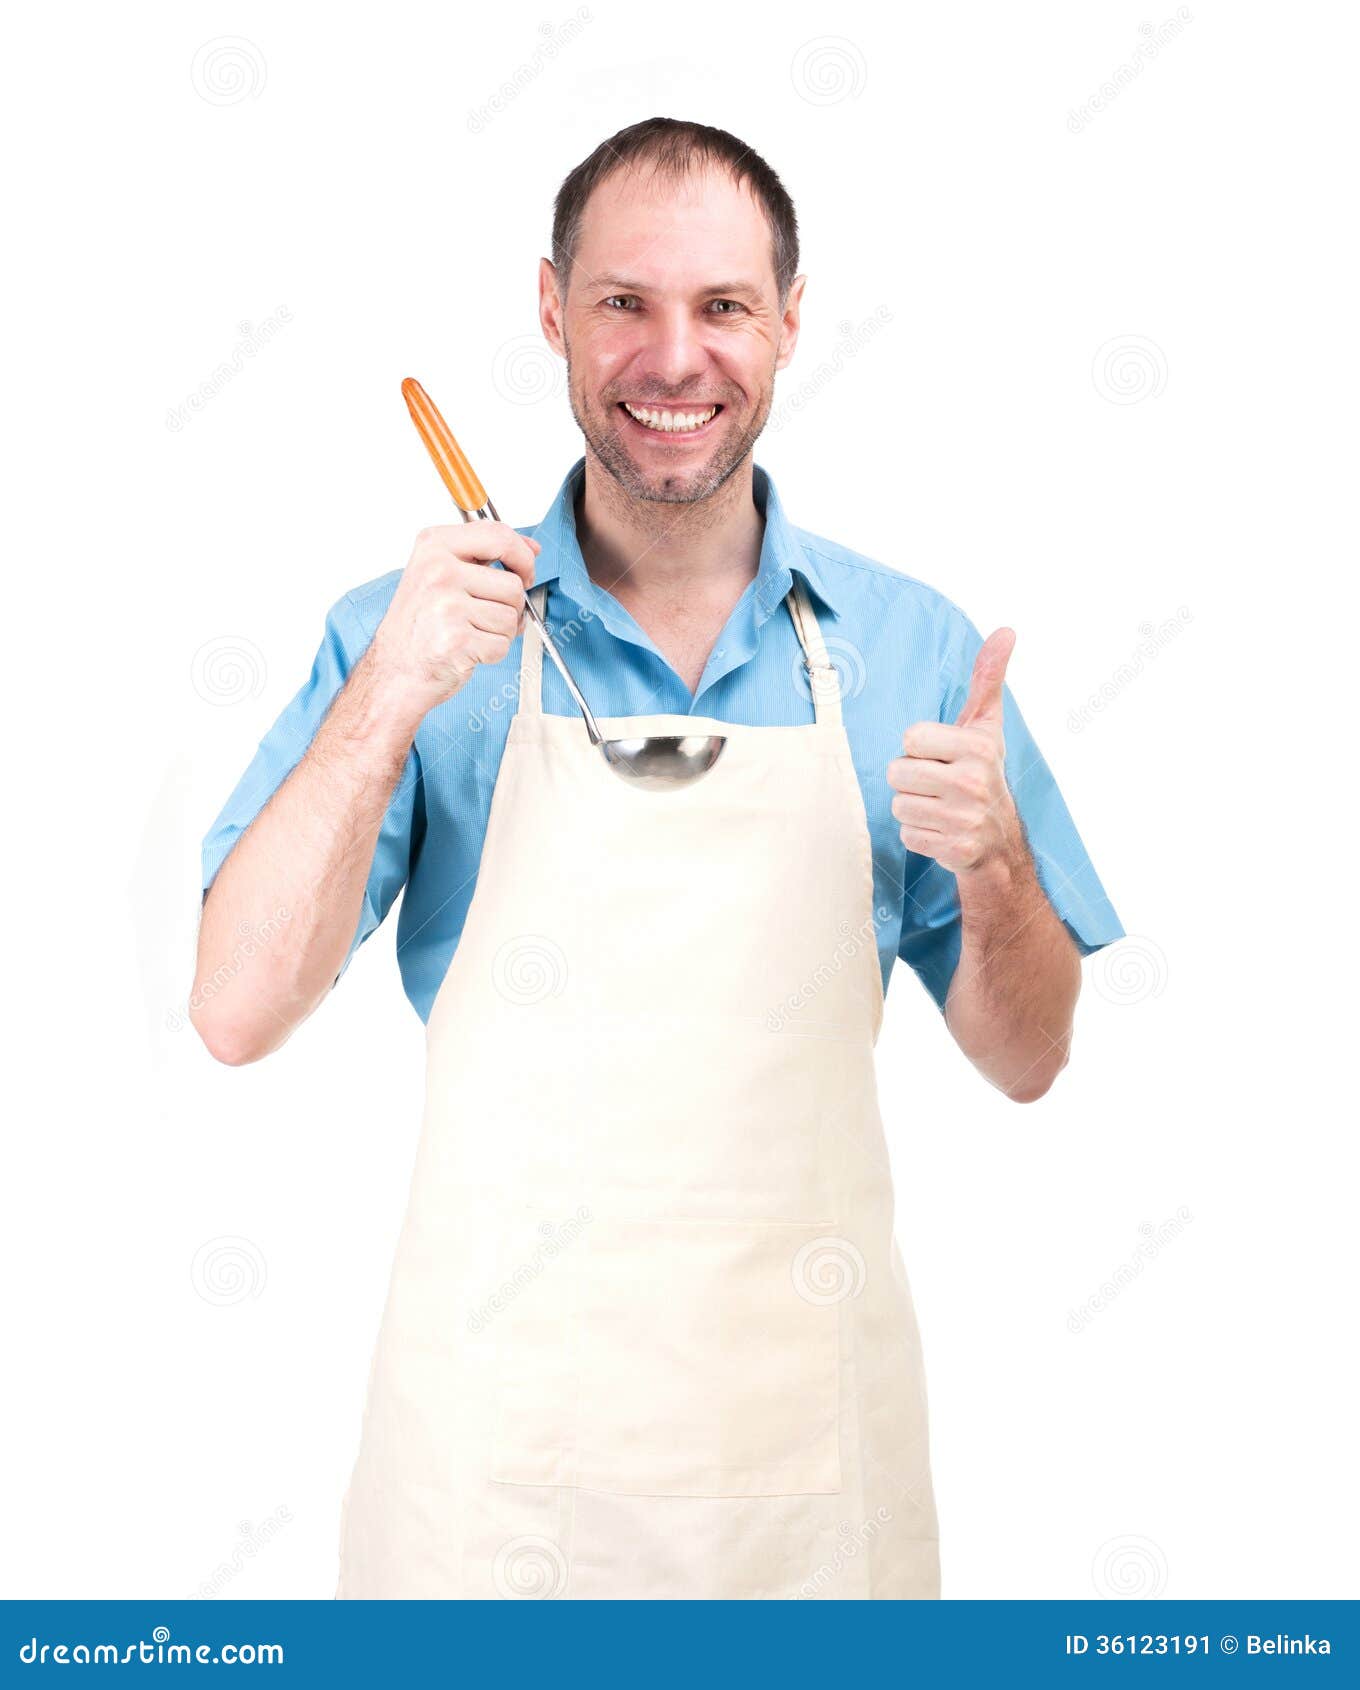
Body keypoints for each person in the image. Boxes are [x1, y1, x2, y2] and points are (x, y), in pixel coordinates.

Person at [194, 117, 1124, 1600]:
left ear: (792, 324)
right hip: (485, 1489)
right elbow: (232, 1009)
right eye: (626, 302)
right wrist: (383, 702)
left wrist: (1002, 864)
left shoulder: (914, 651)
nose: (674, 359)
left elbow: (1030, 1058)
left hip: (814, 1495)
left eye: (724, 308)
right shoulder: (419, 635)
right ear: (553, 309)